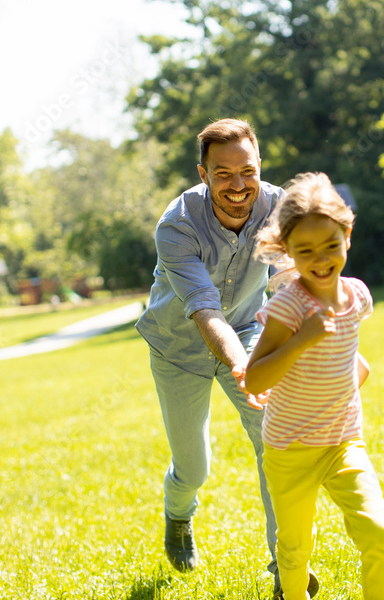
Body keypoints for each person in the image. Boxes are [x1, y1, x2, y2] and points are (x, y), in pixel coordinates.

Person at [136, 119, 318, 598]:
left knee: (272, 440)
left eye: (248, 171)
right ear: (203, 174)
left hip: (247, 329)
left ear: (260, 167)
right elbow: (205, 312)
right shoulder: (177, 226)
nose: (238, 185)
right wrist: (245, 370)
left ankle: (285, 566)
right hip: (179, 345)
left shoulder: (279, 207)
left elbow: (294, 276)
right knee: (194, 466)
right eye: (223, 174)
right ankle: (178, 515)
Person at [244, 172, 384, 600]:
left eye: (331, 245)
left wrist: (344, 388)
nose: (321, 259)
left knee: (379, 534)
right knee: (294, 551)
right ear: (288, 251)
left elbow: (348, 354)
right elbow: (256, 378)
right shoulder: (289, 305)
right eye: (305, 250)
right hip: (290, 450)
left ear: (347, 234)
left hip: (344, 443)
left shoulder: (358, 295)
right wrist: (301, 339)